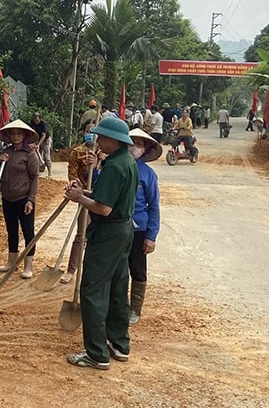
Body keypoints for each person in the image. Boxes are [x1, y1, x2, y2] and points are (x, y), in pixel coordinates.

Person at [64, 117, 138, 370]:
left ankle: (96, 353)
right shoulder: (126, 162)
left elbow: (104, 208)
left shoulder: (115, 166)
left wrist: (79, 199)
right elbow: (106, 196)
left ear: (114, 140)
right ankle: (119, 344)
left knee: (93, 290)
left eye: (102, 137)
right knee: (118, 288)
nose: (98, 141)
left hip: (107, 233)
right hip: (124, 230)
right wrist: (82, 192)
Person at [0, 119, 39, 279]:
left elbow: (34, 178)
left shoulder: (30, 155)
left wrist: (30, 199)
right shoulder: (6, 152)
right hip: (8, 199)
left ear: (25, 135)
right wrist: (0, 163)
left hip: (23, 199)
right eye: (12, 133)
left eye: (19, 133)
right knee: (11, 231)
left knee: (28, 232)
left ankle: (28, 265)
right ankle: (11, 262)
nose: (15, 136)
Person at [126, 129, 161, 325]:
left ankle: (135, 309)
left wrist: (152, 235)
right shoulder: (114, 167)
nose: (134, 148)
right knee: (118, 269)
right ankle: (119, 305)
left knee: (137, 270)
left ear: (145, 149)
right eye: (132, 143)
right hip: (116, 226)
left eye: (139, 144)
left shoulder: (148, 175)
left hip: (139, 229)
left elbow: (154, 206)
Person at [60, 119, 101, 285]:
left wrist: (98, 164)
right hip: (84, 197)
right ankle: (71, 270)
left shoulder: (106, 153)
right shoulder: (77, 152)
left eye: (94, 130)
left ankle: (94, 272)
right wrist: (77, 187)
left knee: (99, 237)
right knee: (81, 234)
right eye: (88, 130)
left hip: (102, 198)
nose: (91, 134)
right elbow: (72, 176)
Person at [30, 112, 52, 179]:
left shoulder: (43, 124)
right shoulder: (32, 122)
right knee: (36, 156)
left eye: (37, 120)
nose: (36, 121)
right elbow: (33, 133)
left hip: (45, 140)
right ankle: (38, 171)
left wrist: (39, 144)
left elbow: (44, 135)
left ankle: (49, 173)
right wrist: (34, 142)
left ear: (40, 118)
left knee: (46, 156)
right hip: (37, 139)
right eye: (34, 120)